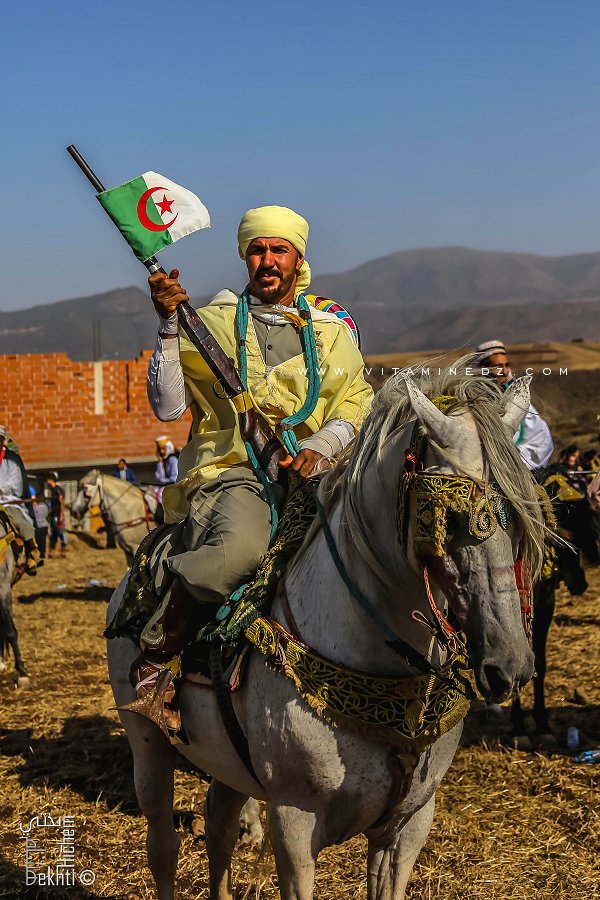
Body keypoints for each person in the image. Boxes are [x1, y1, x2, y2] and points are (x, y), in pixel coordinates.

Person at [133, 204, 373, 697]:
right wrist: (168, 326)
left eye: (278, 250)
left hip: (319, 474)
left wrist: (320, 445)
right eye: (257, 250)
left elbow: (356, 403)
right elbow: (167, 407)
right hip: (233, 472)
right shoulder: (213, 323)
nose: (267, 260)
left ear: (297, 258)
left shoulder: (329, 332)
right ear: (245, 257)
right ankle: (156, 654)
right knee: (240, 550)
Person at [475, 339, 554, 470]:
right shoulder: (473, 398)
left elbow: (540, 439)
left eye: (506, 365)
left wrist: (514, 460)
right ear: (483, 369)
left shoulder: (516, 397)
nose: (505, 371)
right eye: (498, 366)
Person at [0, 425, 38, 574]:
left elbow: (15, 483)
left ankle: (31, 552)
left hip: (9, 500)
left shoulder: (13, 459)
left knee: (20, 522)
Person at [46, 472, 67, 558]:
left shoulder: (57, 490)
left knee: (61, 533)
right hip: (53, 515)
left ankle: (63, 552)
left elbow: (61, 502)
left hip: (58, 516)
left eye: (48, 480)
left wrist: (61, 515)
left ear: (51, 480)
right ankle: (52, 552)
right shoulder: (52, 490)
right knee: (53, 534)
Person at [154, 436, 178, 503]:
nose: (161, 451)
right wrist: (160, 463)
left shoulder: (172, 459)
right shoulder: (164, 460)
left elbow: (174, 478)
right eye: (160, 449)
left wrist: (164, 481)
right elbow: (159, 477)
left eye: (163, 449)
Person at [32, 491, 49, 562]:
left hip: (38, 526)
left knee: (38, 541)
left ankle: (39, 554)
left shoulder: (35, 507)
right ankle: (43, 553)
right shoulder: (46, 506)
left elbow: (33, 516)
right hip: (45, 525)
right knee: (43, 540)